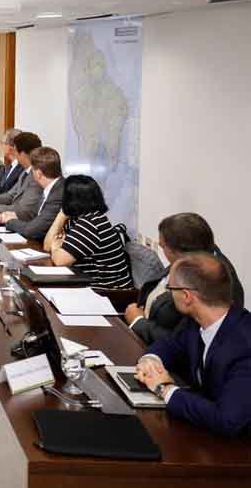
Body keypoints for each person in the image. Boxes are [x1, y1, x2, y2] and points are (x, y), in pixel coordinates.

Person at [135, 253, 251, 437]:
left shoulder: (244, 345)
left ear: (187, 296)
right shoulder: (196, 322)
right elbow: (170, 346)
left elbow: (227, 420)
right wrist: (150, 361)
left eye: (170, 288)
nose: (169, 293)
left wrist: (164, 389)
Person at [126, 213, 244, 344]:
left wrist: (139, 323)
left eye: (163, 246)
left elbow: (189, 343)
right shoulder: (191, 258)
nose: (161, 249)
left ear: (179, 252)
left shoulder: (215, 282)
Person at [42, 175, 134, 289]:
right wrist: (61, 215)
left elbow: (60, 260)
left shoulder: (91, 223)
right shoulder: (78, 219)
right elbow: (47, 246)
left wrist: (55, 247)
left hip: (108, 292)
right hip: (88, 283)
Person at [0, 146, 63, 240]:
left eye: (32, 170)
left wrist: (9, 221)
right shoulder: (53, 187)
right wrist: (1, 217)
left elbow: (32, 231)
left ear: (38, 174)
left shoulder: (57, 194)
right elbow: (33, 214)